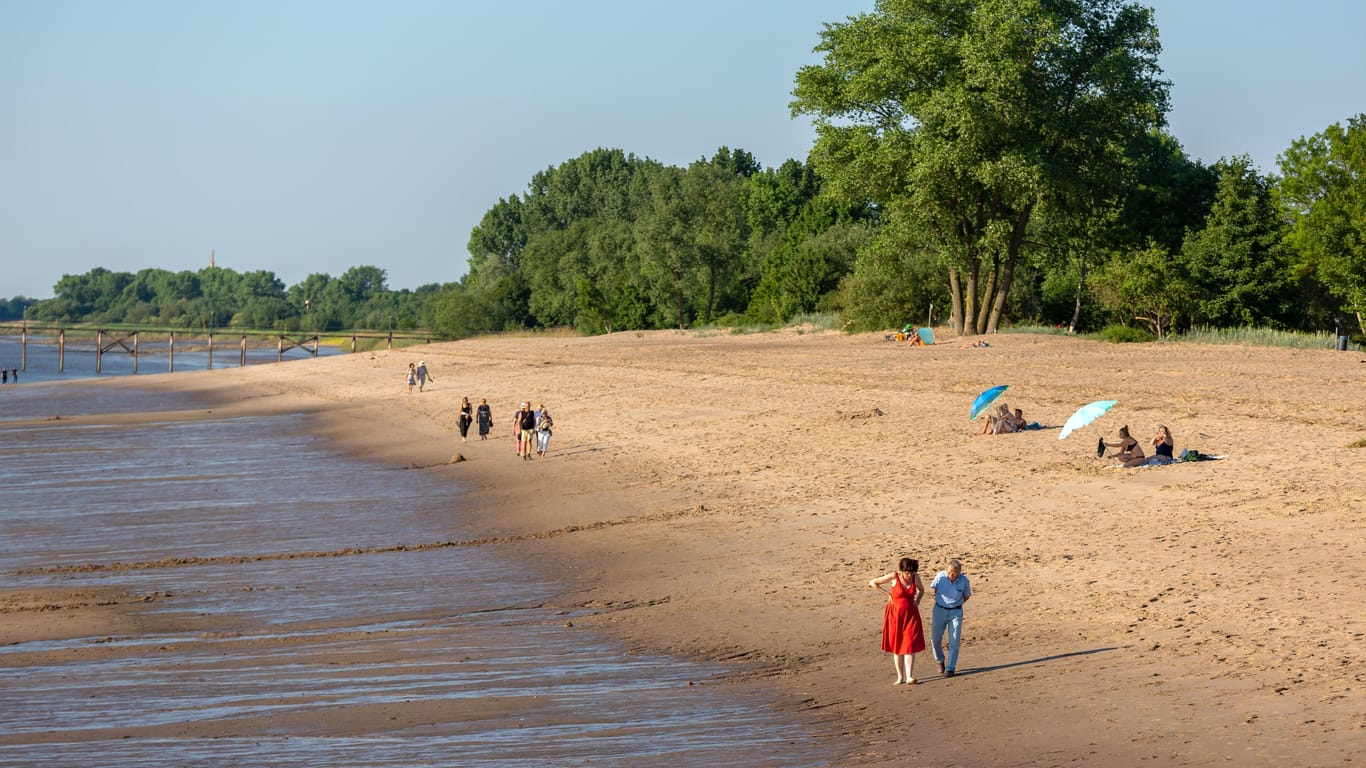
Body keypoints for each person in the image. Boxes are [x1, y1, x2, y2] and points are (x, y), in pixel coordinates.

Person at [869, 557, 925, 685]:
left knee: (909, 644)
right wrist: (887, 594)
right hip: (895, 615)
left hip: (911, 615)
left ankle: (909, 676)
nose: (909, 574)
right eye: (907, 572)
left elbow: (921, 590)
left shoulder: (915, 577)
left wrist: (918, 600)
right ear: (902, 570)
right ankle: (900, 677)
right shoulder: (894, 576)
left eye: (911, 572)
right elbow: (873, 583)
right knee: (897, 646)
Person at [930, 559, 971, 677]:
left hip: (956, 612)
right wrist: (937, 598)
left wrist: (957, 604)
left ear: (959, 572)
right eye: (949, 572)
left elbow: (967, 596)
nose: (950, 575)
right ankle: (939, 660)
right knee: (935, 639)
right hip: (939, 610)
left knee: (954, 640)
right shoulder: (940, 576)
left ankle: (950, 668)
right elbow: (934, 588)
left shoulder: (964, 581)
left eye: (953, 573)